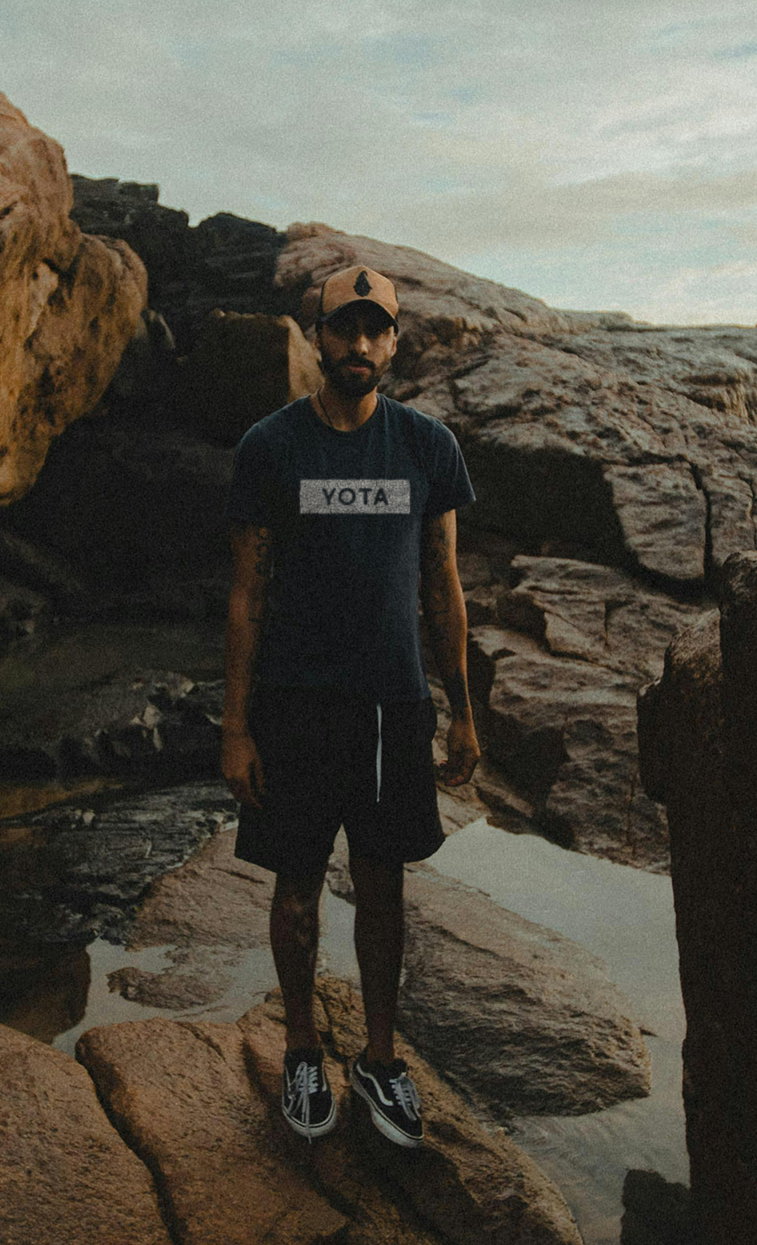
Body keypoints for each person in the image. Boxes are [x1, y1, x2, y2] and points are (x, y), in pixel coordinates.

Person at [221, 264, 479, 1148]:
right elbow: (246, 593)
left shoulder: (426, 448)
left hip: (390, 709)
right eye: (344, 328)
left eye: (376, 331)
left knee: (383, 892)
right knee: (297, 893)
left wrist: (465, 712)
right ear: (318, 335)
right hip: (293, 709)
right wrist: (235, 728)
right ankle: (301, 1052)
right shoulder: (271, 447)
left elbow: (444, 588)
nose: (359, 345)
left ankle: (378, 1057)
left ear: (395, 343)